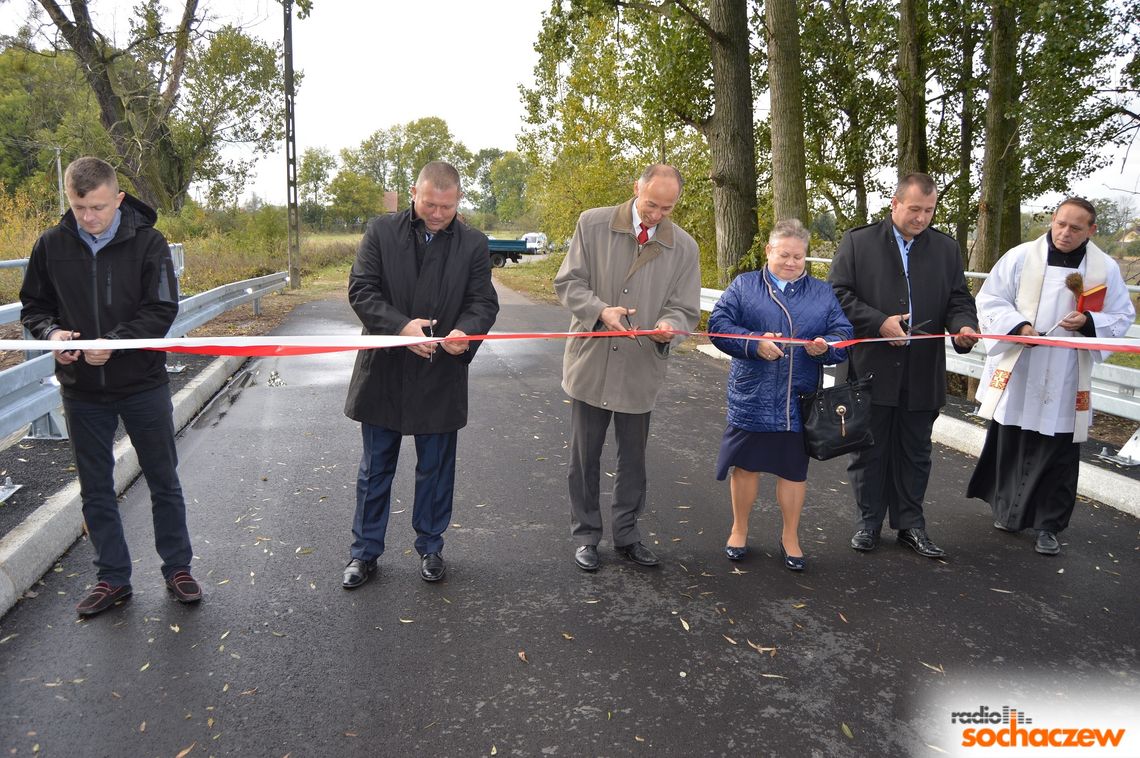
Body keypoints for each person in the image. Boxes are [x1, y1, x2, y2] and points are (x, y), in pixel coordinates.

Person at [20, 156, 201, 616]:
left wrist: (114, 344)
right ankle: (112, 578)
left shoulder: (149, 242)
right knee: (95, 487)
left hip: (141, 382)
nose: (89, 218)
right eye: (79, 208)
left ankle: (177, 569)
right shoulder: (51, 245)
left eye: (98, 207)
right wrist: (52, 336)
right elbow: (34, 308)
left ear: (118, 198)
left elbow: (161, 309)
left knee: (163, 479)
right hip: (81, 389)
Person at [342, 160, 499, 587]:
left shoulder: (473, 244)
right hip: (385, 373)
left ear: (458, 201)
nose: (437, 214)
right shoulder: (381, 232)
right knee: (375, 470)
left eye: (446, 208)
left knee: (436, 469)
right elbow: (362, 290)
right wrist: (400, 327)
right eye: (430, 204)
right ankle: (364, 553)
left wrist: (465, 331)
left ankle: (431, 546)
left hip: (440, 374)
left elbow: (483, 302)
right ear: (414, 192)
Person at [554, 164, 701, 571]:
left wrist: (671, 325)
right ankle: (585, 536)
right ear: (635, 187)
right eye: (651, 204)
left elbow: (684, 307)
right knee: (584, 457)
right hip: (592, 361)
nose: (656, 215)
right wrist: (601, 310)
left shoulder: (685, 248)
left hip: (640, 366)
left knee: (633, 460)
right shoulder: (593, 224)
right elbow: (569, 283)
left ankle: (627, 534)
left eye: (666, 209)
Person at [967, 198, 1134, 555]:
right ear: (1053, 221)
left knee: (1059, 452)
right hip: (1023, 365)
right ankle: (1007, 512)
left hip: (1066, 372)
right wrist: (1019, 326)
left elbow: (1122, 316)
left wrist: (1089, 322)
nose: (1065, 233)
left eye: (1076, 228)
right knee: (1013, 439)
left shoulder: (1105, 269)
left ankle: (1049, 526)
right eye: (1060, 224)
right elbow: (991, 299)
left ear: (1091, 230)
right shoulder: (1020, 257)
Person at [828, 172, 979, 559]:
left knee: (916, 451)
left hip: (923, 369)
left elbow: (958, 298)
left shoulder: (946, 249)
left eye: (928, 211)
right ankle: (868, 523)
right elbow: (837, 295)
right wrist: (878, 321)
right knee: (869, 450)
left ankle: (911, 525)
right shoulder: (858, 242)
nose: (921, 218)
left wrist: (964, 326)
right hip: (872, 366)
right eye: (914, 209)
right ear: (894, 204)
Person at [708, 219, 852, 571]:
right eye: (784, 254)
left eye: (798, 257)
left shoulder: (821, 292)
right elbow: (718, 326)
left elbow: (843, 333)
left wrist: (826, 349)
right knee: (746, 467)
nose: (791, 262)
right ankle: (739, 528)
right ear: (768, 251)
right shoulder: (744, 286)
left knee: (793, 471)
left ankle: (790, 536)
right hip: (753, 394)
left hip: (797, 397)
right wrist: (755, 344)